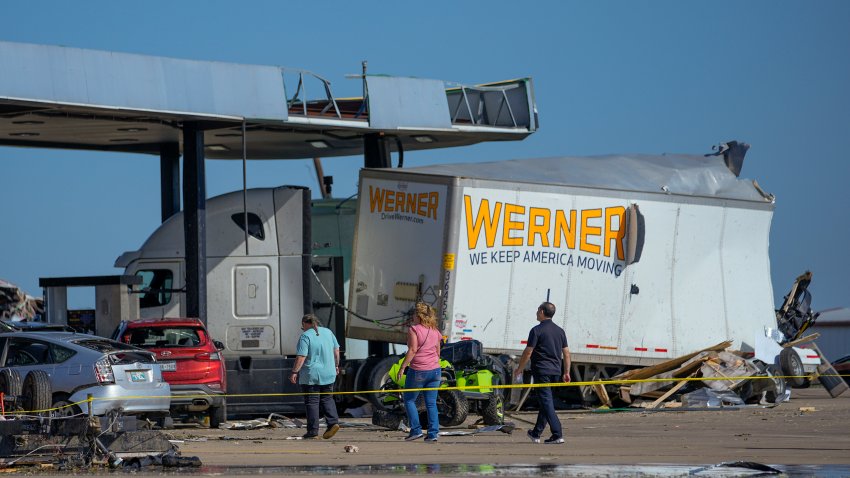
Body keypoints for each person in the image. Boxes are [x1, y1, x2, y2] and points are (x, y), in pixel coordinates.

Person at [513, 302, 570, 445]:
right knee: (546, 402)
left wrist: (520, 368)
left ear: (543, 312)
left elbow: (528, 351)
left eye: (538, 310)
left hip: (542, 370)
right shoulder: (560, 331)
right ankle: (536, 433)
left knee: (546, 402)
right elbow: (567, 353)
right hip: (556, 371)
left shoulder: (536, 330)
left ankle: (557, 434)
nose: (536, 312)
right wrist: (567, 371)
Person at [289, 314, 341, 439]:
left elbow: (301, 356)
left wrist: (294, 372)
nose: (303, 329)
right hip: (329, 372)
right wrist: (336, 366)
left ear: (305, 324)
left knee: (312, 402)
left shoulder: (305, 336)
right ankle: (333, 423)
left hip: (311, 375)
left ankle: (313, 431)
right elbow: (336, 351)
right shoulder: (328, 332)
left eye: (302, 327)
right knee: (327, 398)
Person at [395, 302, 441, 442]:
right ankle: (433, 434)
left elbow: (413, 350)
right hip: (435, 371)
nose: (413, 317)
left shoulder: (414, 329)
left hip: (419, 370)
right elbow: (438, 352)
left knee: (409, 400)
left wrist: (403, 367)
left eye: (414, 314)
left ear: (419, 316)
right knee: (431, 403)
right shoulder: (435, 330)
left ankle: (416, 430)